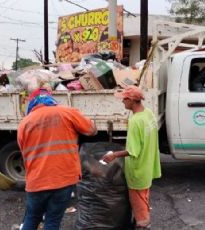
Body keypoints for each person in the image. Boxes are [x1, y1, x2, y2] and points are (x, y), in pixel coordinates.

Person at [17, 91, 97, 230]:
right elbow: (91, 130)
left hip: (36, 181)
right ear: (51, 100)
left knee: (32, 217)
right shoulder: (67, 112)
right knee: (53, 220)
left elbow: (24, 153)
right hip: (63, 179)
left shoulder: (24, 123)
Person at [102, 86, 161, 229]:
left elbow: (133, 151)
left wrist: (113, 155)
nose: (122, 102)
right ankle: (143, 221)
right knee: (144, 197)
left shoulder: (135, 121)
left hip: (137, 170)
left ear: (132, 100)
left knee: (138, 202)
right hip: (147, 166)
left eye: (124, 99)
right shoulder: (148, 114)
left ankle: (142, 224)